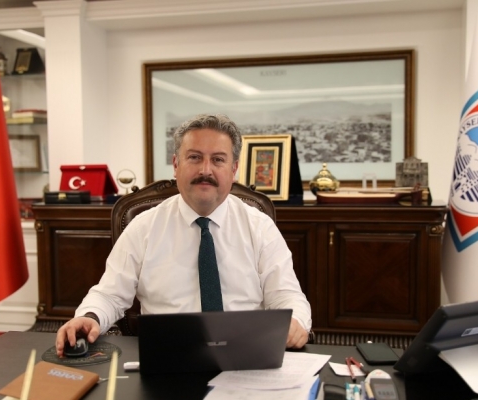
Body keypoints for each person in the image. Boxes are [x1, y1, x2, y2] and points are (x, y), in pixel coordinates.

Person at [56, 114, 312, 356]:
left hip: (246, 355)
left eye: (218, 160)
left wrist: (296, 321)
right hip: (167, 356)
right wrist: (89, 317)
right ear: (176, 165)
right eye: (195, 157)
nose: (206, 170)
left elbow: (286, 295)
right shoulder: (144, 227)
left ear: (233, 169)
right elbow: (109, 294)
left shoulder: (259, 227)